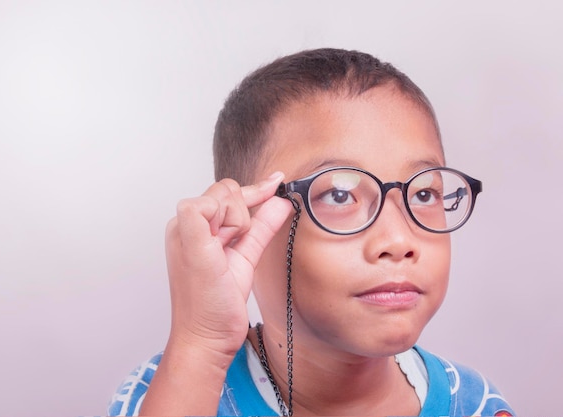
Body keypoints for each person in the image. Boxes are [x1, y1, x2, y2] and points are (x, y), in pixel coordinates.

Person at [107, 48, 514, 416]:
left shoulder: (475, 405)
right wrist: (201, 345)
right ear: (245, 223)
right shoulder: (177, 392)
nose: (398, 242)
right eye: (339, 195)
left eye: (424, 192)